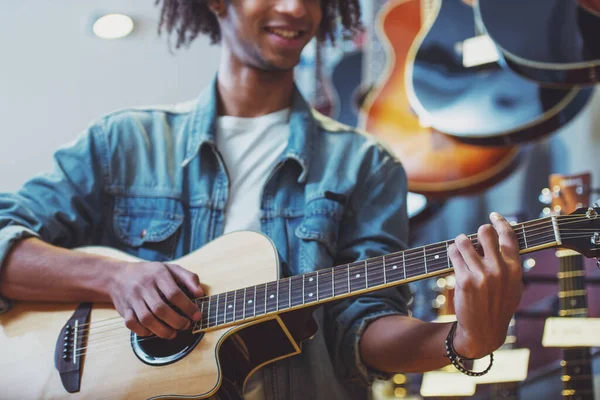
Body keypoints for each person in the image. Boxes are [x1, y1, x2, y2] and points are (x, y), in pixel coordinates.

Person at [0, 1, 523, 399]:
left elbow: (361, 327)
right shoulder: (123, 142)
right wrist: (115, 278)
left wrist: (466, 339)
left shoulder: (367, 165)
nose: (297, 10)